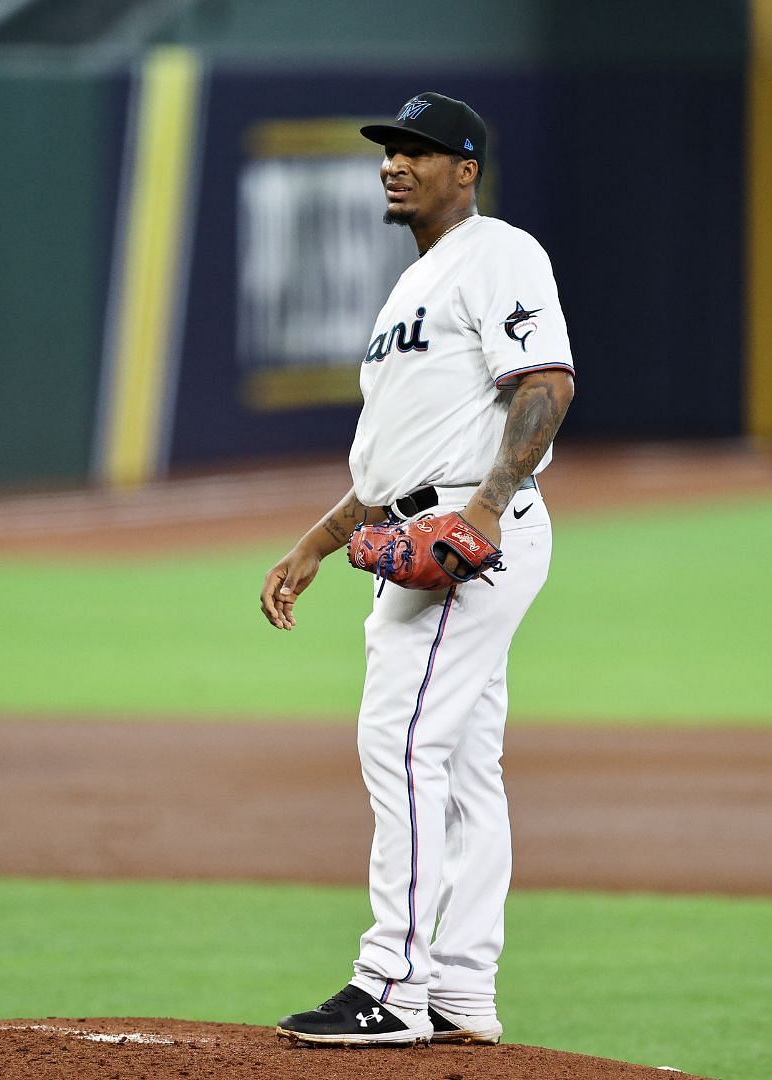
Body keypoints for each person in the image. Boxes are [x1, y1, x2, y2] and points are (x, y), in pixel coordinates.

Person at [259, 92, 575, 1048]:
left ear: (465, 168)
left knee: (398, 742)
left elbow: (547, 384)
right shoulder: (408, 292)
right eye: (389, 150)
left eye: (420, 150)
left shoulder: (500, 253)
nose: (395, 163)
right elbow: (394, 463)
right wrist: (315, 544)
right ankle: (462, 988)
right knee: (469, 768)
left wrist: (479, 512)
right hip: (424, 524)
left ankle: (391, 982)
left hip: (468, 539)